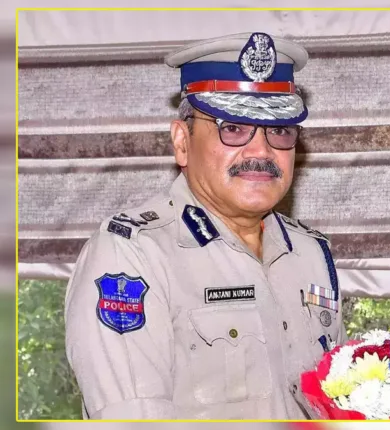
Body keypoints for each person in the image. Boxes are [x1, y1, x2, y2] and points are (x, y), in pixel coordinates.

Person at [64, 32, 345, 420]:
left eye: (280, 130)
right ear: (182, 141)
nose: (261, 150)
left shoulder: (311, 253)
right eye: (233, 127)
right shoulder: (132, 255)